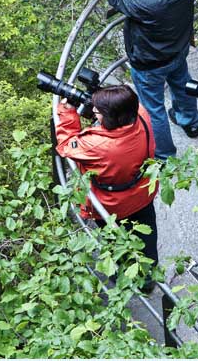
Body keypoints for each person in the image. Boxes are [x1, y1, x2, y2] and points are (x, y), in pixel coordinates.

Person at [108, 0, 198, 160]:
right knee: (182, 84)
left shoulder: (144, 1)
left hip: (149, 62)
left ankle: (165, 154)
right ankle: (189, 121)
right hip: (178, 49)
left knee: (154, 108)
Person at [54, 84, 159, 289]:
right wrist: (103, 95)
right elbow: (126, 104)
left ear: (110, 117)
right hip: (141, 193)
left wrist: (67, 111)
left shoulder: (95, 145)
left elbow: (66, 144)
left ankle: (120, 272)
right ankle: (148, 278)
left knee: (113, 239)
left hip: (110, 205)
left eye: (97, 112)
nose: (94, 113)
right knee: (147, 237)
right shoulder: (142, 116)